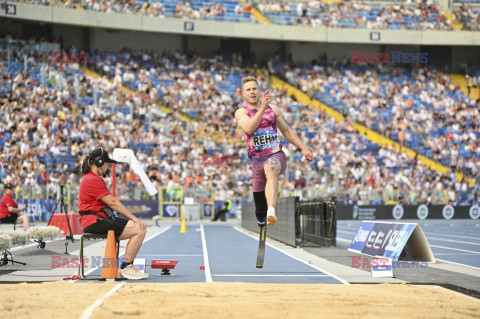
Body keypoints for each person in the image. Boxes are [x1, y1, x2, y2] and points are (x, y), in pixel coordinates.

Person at [234, 76, 313, 227]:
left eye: (254, 89)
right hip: (257, 160)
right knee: (259, 209)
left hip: (276, 155)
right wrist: (262, 108)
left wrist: (303, 147)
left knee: (270, 168)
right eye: (248, 90)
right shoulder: (241, 113)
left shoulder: (273, 109)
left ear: (259, 90)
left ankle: (271, 211)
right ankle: (263, 214)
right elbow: (249, 128)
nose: (252, 92)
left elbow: (286, 130)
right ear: (243, 94)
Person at [78, 147, 148, 280]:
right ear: (99, 162)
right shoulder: (92, 179)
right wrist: (134, 218)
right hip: (95, 222)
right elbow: (113, 203)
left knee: (134, 226)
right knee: (139, 228)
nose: (108, 166)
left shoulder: (90, 178)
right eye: (107, 163)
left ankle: (126, 266)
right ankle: (127, 267)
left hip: (95, 220)